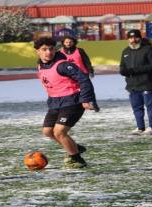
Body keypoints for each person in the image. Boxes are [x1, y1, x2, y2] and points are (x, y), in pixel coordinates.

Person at [34, 37, 99, 168]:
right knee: (48, 132)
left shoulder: (63, 65)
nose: (48, 52)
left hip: (72, 101)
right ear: (37, 51)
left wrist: (86, 99)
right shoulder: (41, 65)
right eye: (44, 49)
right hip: (55, 103)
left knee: (59, 132)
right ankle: (74, 148)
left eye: (51, 49)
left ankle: (76, 159)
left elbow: (84, 80)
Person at [120, 29, 152, 136]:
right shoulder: (125, 52)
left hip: (147, 84)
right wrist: (123, 71)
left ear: (140, 38)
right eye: (131, 38)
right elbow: (122, 67)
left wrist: (135, 70)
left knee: (150, 107)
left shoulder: (149, 50)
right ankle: (140, 127)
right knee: (137, 108)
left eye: (135, 37)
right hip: (132, 85)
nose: (133, 40)